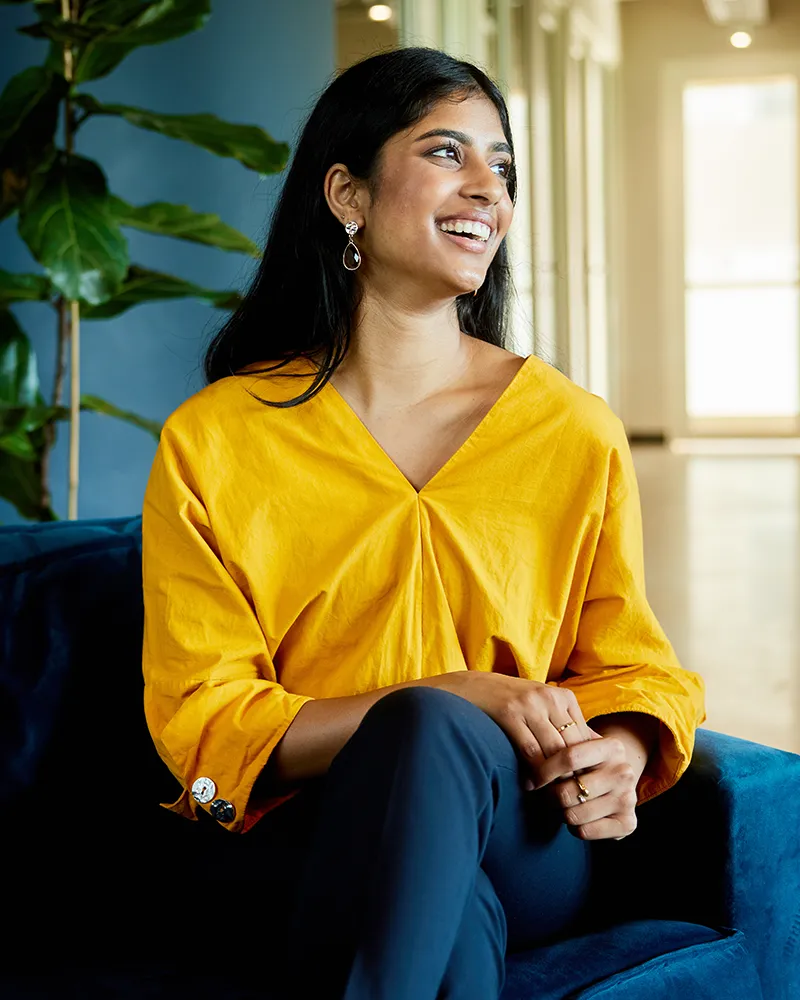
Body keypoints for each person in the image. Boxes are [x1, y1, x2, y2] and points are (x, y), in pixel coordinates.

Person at [141, 47, 706, 1000]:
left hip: (519, 829)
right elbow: (204, 724)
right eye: (448, 152)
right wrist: (453, 694)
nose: (489, 188)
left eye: (503, 167)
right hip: (301, 831)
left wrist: (628, 748)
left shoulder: (572, 429)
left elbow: (635, 665)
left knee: (435, 741)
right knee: (447, 884)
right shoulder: (218, 437)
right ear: (347, 194)